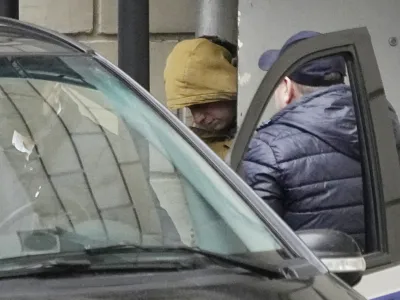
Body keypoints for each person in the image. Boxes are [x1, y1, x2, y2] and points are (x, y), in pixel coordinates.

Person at [243, 30, 368, 248]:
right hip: (383, 277)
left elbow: (254, 245)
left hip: (312, 281)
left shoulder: (267, 150)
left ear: (287, 87)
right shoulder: (384, 130)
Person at [164, 37, 237, 160]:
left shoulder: (263, 137)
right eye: (191, 108)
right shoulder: (194, 147)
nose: (198, 119)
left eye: (204, 103)